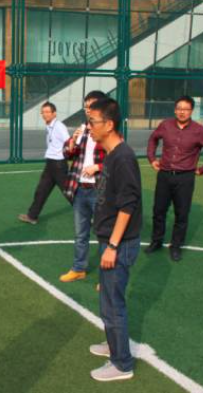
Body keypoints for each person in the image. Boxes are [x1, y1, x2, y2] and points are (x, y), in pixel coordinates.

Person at [86, 98, 142, 382]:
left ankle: (122, 364)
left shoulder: (124, 157)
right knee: (106, 298)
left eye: (92, 122)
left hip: (118, 244)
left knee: (113, 305)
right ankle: (113, 344)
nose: (89, 127)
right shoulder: (110, 154)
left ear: (109, 124)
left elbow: (128, 206)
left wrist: (112, 246)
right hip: (109, 240)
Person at [145, 95, 203, 262]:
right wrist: (152, 158)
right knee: (158, 211)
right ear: (175, 110)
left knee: (182, 213)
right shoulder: (165, 125)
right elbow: (153, 139)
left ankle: (176, 246)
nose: (182, 112)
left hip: (185, 178)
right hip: (164, 175)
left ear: (191, 111)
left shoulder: (199, 130)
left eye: (185, 109)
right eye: (179, 108)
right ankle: (156, 241)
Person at [59, 91, 107, 283]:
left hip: (99, 190)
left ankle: (106, 276)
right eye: (86, 106)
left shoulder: (108, 130)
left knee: (103, 233)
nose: (88, 110)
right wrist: (72, 142)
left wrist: (98, 167)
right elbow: (67, 154)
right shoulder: (83, 129)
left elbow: (117, 158)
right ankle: (79, 268)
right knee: (80, 233)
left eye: (92, 106)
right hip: (80, 188)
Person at [18, 101, 70, 225]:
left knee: (69, 192)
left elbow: (69, 141)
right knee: (41, 190)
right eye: (43, 112)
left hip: (59, 164)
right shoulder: (49, 126)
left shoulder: (59, 126)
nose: (44, 114)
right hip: (51, 164)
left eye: (47, 112)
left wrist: (67, 155)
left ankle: (90, 215)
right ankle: (32, 216)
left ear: (54, 113)